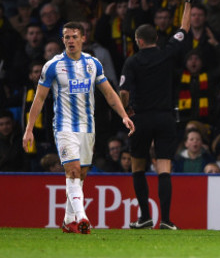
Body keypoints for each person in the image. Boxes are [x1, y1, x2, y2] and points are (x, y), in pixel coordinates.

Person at [22, 21, 135, 234]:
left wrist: (123, 115)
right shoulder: (53, 66)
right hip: (64, 127)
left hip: (87, 129)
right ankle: (82, 217)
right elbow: (39, 99)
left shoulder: (93, 64)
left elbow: (109, 93)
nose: (70, 41)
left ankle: (67, 220)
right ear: (62, 40)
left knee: (80, 176)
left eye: (74, 36)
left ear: (83, 38)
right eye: (66, 37)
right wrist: (29, 129)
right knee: (72, 171)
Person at [119, 0, 195, 230]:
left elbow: (123, 92)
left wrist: (126, 112)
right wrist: (188, 0)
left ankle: (144, 217)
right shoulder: (167, 53)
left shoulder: (132, 61)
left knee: (138, 167)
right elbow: (184, 28)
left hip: (140, 118)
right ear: (156, 39)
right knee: (164, 168)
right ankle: (166, 220)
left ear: (139, 41)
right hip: (165, 118)